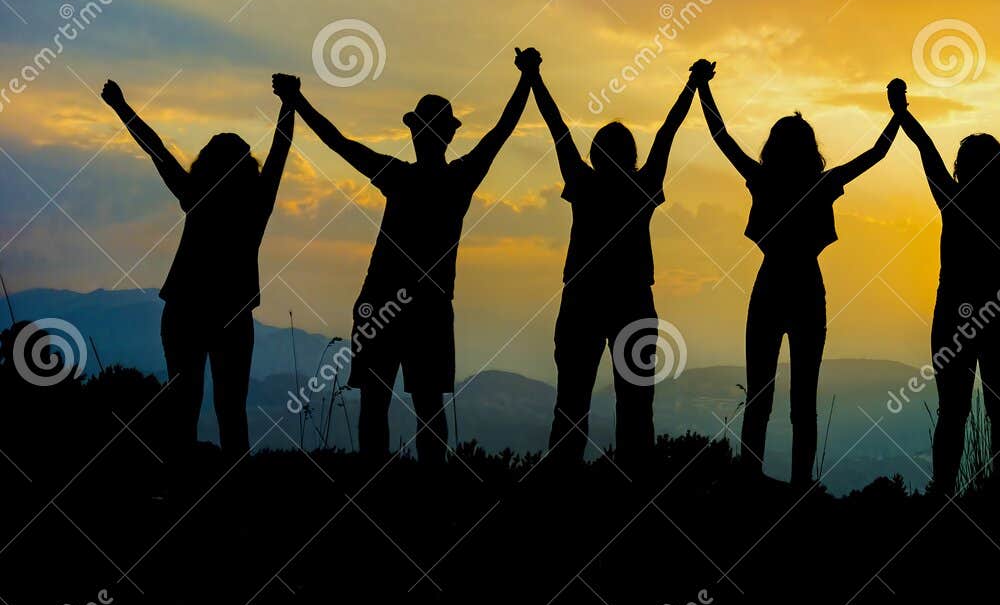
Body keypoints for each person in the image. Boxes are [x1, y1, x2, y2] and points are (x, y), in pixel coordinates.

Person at [271, 50, 536, 465]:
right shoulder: (457, 179)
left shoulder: (400, 176)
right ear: (447, 136)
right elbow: (502, 130)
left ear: (418, 134)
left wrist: (297, 101)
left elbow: (338, 142)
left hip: (381, 302)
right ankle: (429, 496)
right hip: (426, 307)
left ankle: (375, 491)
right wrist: (528, 78)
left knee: (378, 402)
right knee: (426, 407)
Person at [697, 65, 900, 488]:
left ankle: (750, 477)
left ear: (773, 147)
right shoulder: (821, 184)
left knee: (760, 395)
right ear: (811, 150)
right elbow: (875, 155)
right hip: (807, 290)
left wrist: (702, 88)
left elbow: (721, 138)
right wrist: (898, 113)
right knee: (802, 400)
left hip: (770, 287)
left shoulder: (764, 178)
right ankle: (799, 485)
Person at [891, 54, 1000, 497]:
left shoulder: (954, 202)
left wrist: (901, 112)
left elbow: (926, 150)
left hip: (954, 311)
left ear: (962, 169)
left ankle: (943, 494)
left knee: (954, 412)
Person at [530, 52, 715, 472]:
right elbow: (668, 132)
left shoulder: (583, 182)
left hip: (582, 301)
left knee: (571, 401)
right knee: (635, 405)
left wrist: (535, 77)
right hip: (632, 302)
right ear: (631, 154)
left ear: (596, 154)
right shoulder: (643, 185)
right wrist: (694, 85)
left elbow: (556, 127)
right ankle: (636, 486)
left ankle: (562, 482)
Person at [102, 78, 294, 457]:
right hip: (232, 318)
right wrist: (289, 103)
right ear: (246, 168)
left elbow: (156, 150)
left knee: (184, 407)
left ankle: (181, 491)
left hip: (185, 313)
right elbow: (280, 150)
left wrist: (121, 106)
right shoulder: (255, 203)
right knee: (231, 412)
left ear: (206, 164)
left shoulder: (196, 196)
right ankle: (231, 495)